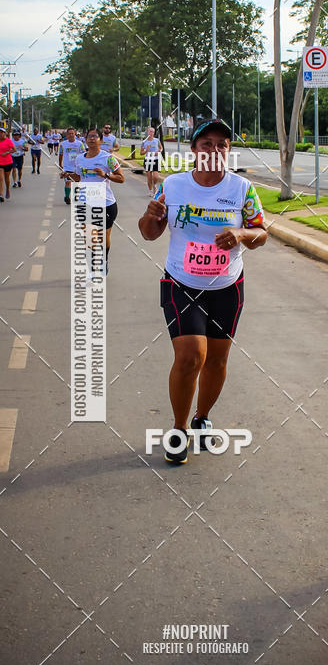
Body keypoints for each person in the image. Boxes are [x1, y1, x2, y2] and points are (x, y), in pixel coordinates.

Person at [138, 117, 267, 465]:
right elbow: (149, 233)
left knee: (217, 360)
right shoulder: (173, 186)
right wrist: (151, 216)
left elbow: (261, 234)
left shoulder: (242, 189)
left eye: (222, 144)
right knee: (191, 355)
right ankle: (179, 429)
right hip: (181, 283)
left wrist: (240, 235)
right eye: (206, 143)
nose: (214, 149)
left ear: (229, 151)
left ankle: (202, 417)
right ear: (194, 149)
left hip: (227, 286)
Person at [65, 126, 125, 271]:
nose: (92, 139)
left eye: (95, 136)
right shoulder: (80, 159)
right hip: (86, 202)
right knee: (89, 238)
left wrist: (105, 175)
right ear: (85, 140)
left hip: (106, 203)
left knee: (102, 238)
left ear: (100, 140)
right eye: (89, 136)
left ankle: (104, 260)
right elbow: (79, 178)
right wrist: (68, 174)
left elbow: (121, 178)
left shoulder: (108, 158)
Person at [59, 126, 86, 204]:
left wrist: (83, 164)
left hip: (77, 166)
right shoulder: (63, 144)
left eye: (72, 133)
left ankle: (76, 195)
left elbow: (83, 154)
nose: (71, 135)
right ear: (67, 135)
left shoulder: (79, 144)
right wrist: (60, 164)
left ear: (75, 134)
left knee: (76, 182)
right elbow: (60, 154)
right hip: (67, 166)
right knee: (68, 182)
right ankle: (67, 196)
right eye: (69, 134)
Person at [141, 126, 163, 196]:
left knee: (156, 177)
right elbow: (141, 153)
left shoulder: (156, 140)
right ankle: (150, 190)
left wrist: (159, 151)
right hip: (148, 160)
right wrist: (146, 150)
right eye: (150, 131)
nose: (151, 133)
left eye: (153, 132)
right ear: (148, 132)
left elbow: (161, 148)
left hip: (156, 159)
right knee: (149, 177)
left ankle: (155, 185)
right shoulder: (144, 142)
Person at [0, 126, 15, 202]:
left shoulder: (8, 141)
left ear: (5, 133)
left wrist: (7, 152)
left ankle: (8, 190)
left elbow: (14, 150)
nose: (0, 134)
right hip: (0, 162)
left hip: (8, 162)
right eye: (0, 132)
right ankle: (1, 194)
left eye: (2, 132)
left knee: (6, 178)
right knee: (0, 178)